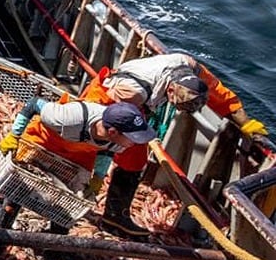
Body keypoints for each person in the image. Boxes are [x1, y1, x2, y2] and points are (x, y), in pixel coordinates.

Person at [74, 52, 267, 237]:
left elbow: (222, 95)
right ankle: (74, 189)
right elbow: (112, 137)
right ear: (171, 90)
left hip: (136, 106)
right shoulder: (133, 93)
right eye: (177, 105)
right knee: (85, 148)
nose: (177, 109)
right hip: (105, 100)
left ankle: (115, 216)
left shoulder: (190, 67)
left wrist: (247, 124)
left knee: (135, 161)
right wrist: (99, 174)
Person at [0, 99, 156, 244]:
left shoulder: (120, 141)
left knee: (69, 202)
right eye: (133, 137)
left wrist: (98, 176)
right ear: (113, 132)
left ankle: (53, 247)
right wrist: (14, 135)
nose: (135, 142)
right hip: (46, 141)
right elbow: (34, 104)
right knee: (20, 188)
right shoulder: (69, 117)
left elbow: (107, 150)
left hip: (78, 153)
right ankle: (0, 234)